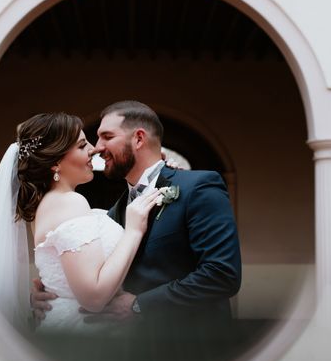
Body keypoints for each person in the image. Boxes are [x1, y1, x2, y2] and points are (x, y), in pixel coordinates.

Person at [33, 101, 242, 334]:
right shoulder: (113, 213)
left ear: (139, 139)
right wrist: (54, 293)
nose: (97, 147)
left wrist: (140, 306)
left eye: (107, 137)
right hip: (134, 355)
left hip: (192, 349)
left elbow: (222, 274)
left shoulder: (198, 188)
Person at [0, 112, 161, 332]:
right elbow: (94, 297)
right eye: (82, 146)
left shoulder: (49, 205)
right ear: (55, 163)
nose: (93, 148)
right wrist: (133, 232)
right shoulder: (69, 203)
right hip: (83, 336)